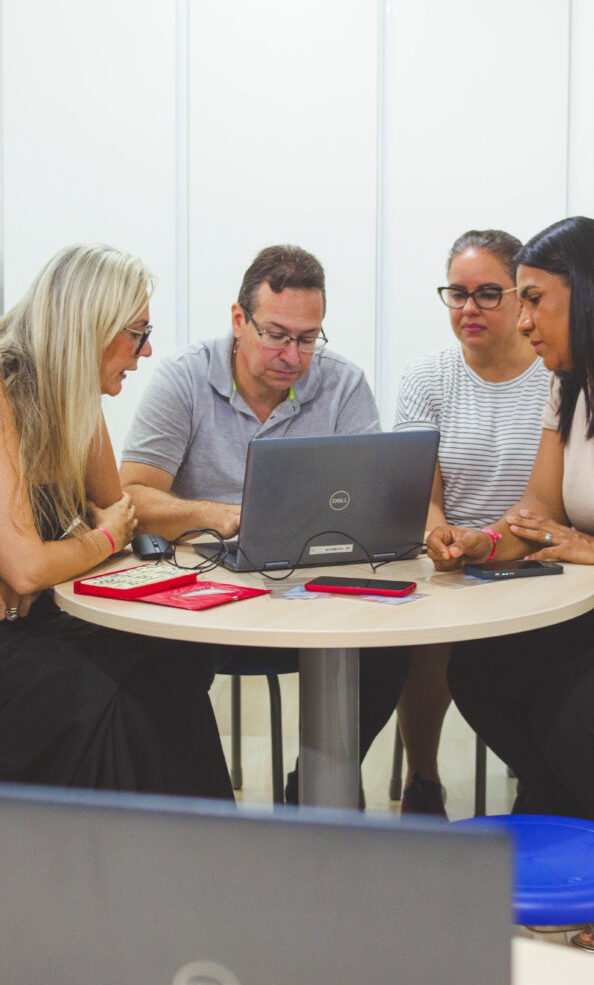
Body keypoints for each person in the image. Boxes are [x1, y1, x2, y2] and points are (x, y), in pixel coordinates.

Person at [428, 216, 594, 955]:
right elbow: (539, 513)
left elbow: (589, 542)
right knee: (482, 671)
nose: (523, 321)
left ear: (591, 293)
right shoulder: (569, 380)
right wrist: (481, 542)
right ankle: (574, 830)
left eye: (534, 300)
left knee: (581, 717)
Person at [120, 244, 410, 800]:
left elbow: (373, 501)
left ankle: (312, 791)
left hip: (314, 592)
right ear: (239, 320)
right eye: (277, 335)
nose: (293, 355)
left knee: (389, 651)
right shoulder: (185, 378)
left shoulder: (343, 384)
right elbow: (132, 495)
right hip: (210, 600)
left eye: (307, 339)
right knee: (159, 660)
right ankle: (207, 813)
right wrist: (222, 516)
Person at [0, 244, 232, 799]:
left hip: (39, 618)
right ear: (89, 327)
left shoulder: (71, 395)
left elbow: (119, 510)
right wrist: (100, 537)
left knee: (174, 659)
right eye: (136, 332)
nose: (146, 349)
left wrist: (95, 538)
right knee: (129, 695)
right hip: (13, 639)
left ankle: (191, 845)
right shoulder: (5, 391)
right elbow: (31, 567)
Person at [393, 230, 549, 815]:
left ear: (520, 297)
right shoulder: (427, 377)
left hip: (534, 554)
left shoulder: (555, 374)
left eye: (487, 293)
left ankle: (538, 778)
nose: (468, 309)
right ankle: (423, 781)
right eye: (457, 294)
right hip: (450, 558)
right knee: (424, 633)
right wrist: (439, 534)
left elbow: (550, 499)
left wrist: (493, 540)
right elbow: (420, 492)